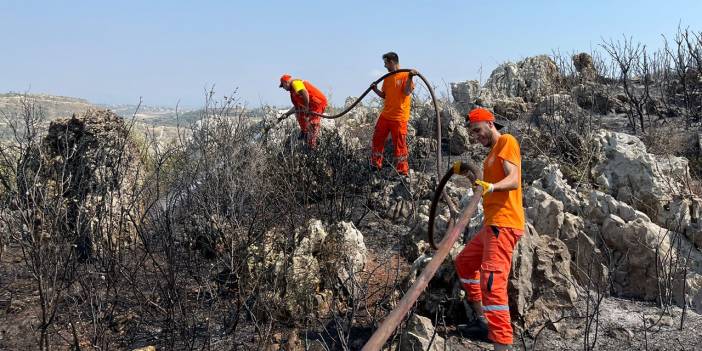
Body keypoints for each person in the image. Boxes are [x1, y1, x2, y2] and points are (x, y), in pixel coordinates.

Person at [454, 107, 524, 350]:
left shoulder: (507, 141)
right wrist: (470, 176)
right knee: (464, 263)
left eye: (477, 130)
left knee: (492, 284)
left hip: (504, 224)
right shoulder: (490, 155)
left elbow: (513, 179)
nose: (476, 136)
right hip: (491, 225)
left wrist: (492, 188)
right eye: (473, 133)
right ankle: (482, 320)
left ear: (490, 123)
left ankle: (502, 343)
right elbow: (487, 184)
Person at [369, 52, 417, 176]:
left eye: (386, 63)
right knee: (377, 139)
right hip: (385, 115)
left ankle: (402, 171)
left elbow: (407, 92)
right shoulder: (387, 78)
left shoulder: (406, 75)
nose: (385, 66)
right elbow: (384, 95)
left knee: (400, 145)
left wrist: (411, 77)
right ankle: (375, 166)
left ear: (392, 62)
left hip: (399, 117)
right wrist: (375, 89)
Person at [278, 74, 328, 148]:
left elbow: (305, 92)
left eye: (283, 86)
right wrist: (287, 114)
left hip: (318, 103)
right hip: (311, 104)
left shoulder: (295, 83)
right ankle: (304, 132)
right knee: (299, 112)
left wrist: (306, 107)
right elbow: (296, 107)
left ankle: (312, 146)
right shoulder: (293, 92)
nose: (284, 88)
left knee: (313, 124)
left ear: (286, 82)